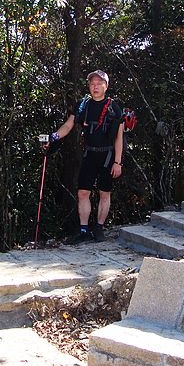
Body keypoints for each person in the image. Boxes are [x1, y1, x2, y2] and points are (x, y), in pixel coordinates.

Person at [44, 70, 124, 244]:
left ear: (106, 86)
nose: (95, 87)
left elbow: (119, 137)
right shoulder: (83, 105)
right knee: (83, 192)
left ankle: (99, 228)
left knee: (104, 193)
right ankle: (83, 230)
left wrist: (118, 162)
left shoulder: (114, 108)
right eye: (92, 83)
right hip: (90, 153)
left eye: (99, 83)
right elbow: (68, 125)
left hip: (108, 155)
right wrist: (53, 137)